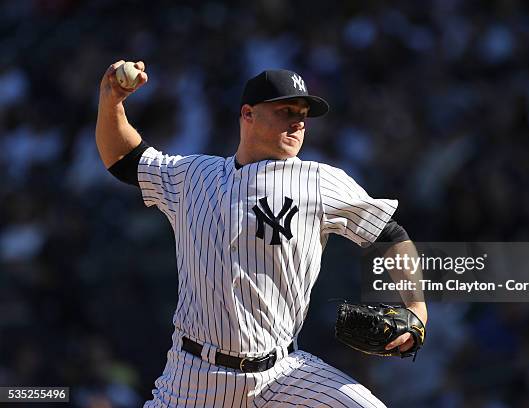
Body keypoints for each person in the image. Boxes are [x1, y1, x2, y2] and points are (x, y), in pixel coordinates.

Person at [96, 60, 427, 407]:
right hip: (194, 378)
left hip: (284, 373)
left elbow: (389, 235)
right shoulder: (193, 175)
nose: (298, 121)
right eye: (286, 110)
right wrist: (112, 103)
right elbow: (124, 158)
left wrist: (417, 307)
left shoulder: (319, 181)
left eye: (303, 113)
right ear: (248, 115)